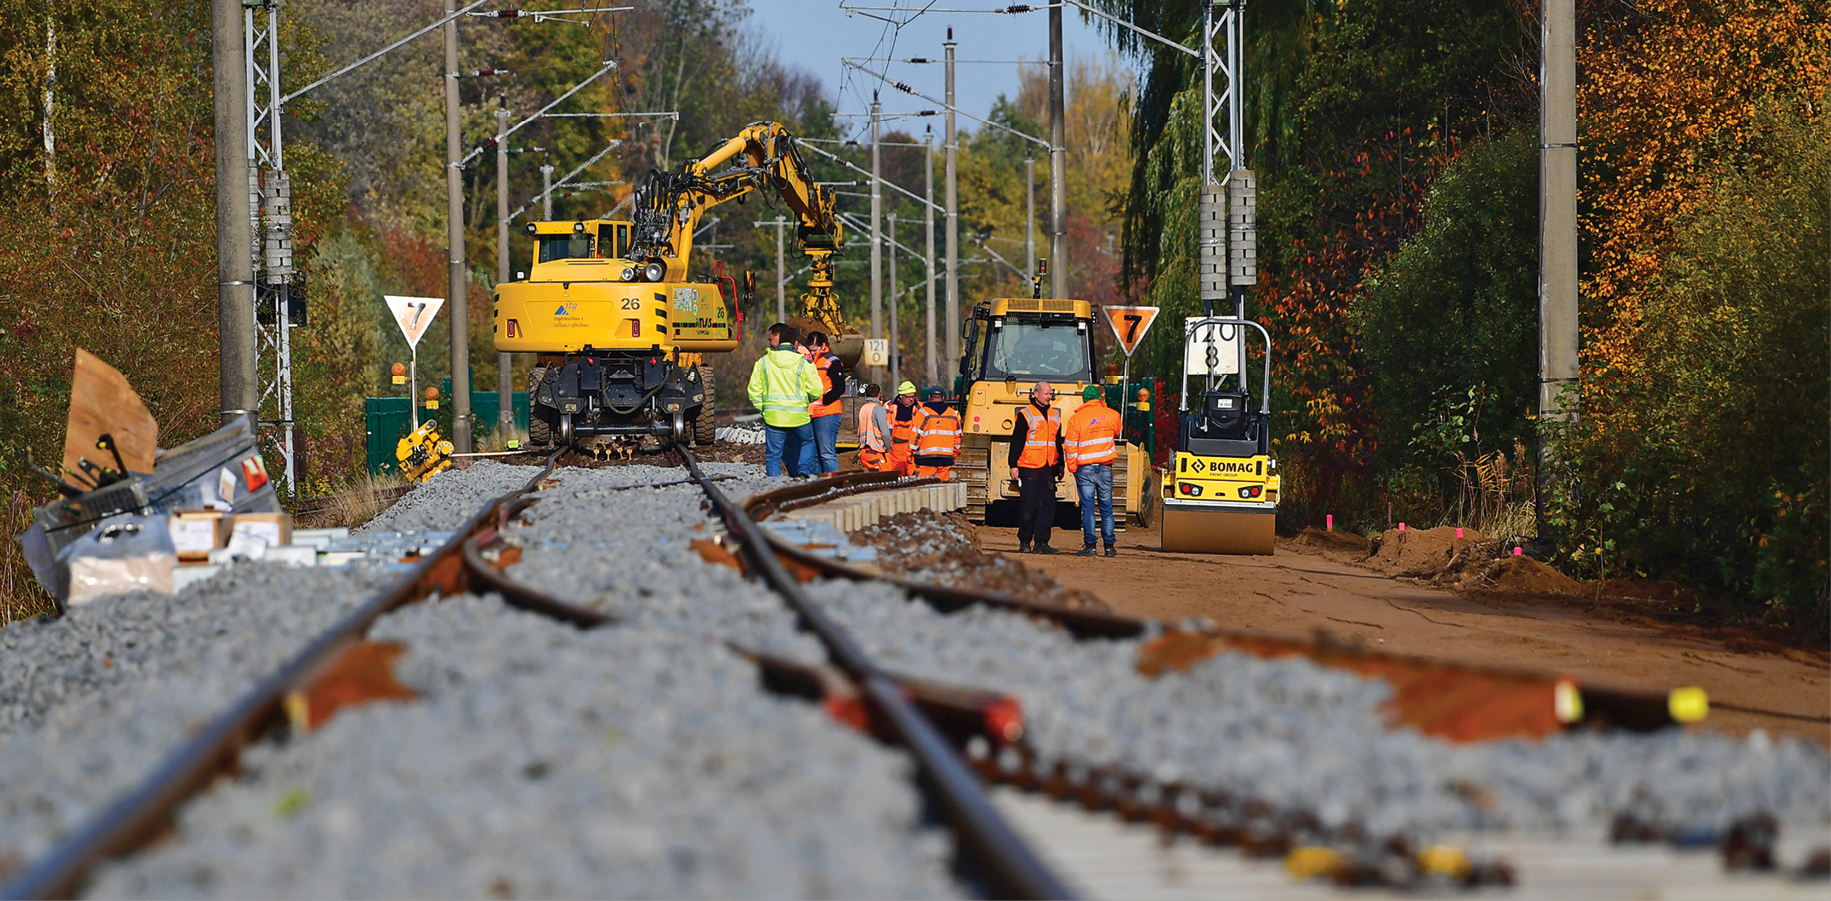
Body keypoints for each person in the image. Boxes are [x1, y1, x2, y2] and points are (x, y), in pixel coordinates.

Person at [746, 322, 821, 477]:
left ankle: (774, 486)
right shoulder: (804, 363)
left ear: (779, 341)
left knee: (773, 455)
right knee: (808, 442)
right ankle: (803, 470)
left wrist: (764, 408)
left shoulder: (763, 362)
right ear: (795, 343)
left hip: (774, 416)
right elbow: (816, 390)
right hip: (798, 416)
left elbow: (754, 390)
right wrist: (806, 400)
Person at [1007, 380, 1064, 554]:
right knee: (1029, 506)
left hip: (1048, 467)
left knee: (1048, 506)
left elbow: (1057, 442)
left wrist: (1060, 464)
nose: (1049, 396)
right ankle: (1025, 541)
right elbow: (1017, 440)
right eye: (1046, 393)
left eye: (1050, 393)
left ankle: (1041, 543)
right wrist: (1013, 464)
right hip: (1029, 467)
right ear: (1036, 394)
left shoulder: (1055, 415)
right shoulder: (1026, 414)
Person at [1065, 384, 1122, 556]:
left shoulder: (1076, 419)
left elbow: (1070, 446)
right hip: (1105, 468)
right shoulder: (1112, 414)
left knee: (1088, 508)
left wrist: (1072, 467)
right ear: (1099, 398)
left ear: (1084, 399)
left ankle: (1090, 546)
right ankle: (1109, 547)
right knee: (1106, 508)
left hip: (1085, 469)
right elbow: (1118, 430)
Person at [804, 331, 846, 475]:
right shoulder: (809, 361)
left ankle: (833, 484)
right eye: (810, 350)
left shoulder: (831, 361)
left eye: (814, 350)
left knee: (827, 453)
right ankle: (819, 484)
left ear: (823, 346)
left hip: (827, 412)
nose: (812, 353)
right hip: (812, 413)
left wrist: (826, 400)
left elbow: (839, 387)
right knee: (814, 454)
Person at [911, 387, 961, 480]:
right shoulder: (953, 414)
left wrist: (911, 453)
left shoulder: (923, 413)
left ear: (929, 397)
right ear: (943, 398)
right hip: (946, 459)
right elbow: (958, 437)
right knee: (942, 488)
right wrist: (955, 454)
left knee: (924, 487)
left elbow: (916, 435)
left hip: (926, 460)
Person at [886, 380, 922, 476]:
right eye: (908, 397)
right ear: (901, 396)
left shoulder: (920, 408)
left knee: (913, 477)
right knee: (895, 477)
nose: (911, 399)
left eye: (913, 396)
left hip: (912, 450)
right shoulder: (889, 407)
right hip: (894, 450)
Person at [856, 383, 890, 471]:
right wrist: (889, 449)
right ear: (879, 394)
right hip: (875, 452)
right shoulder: (878, 409)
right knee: (885, 478)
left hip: (864, 452)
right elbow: (885, 433)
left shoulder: (862, 409)